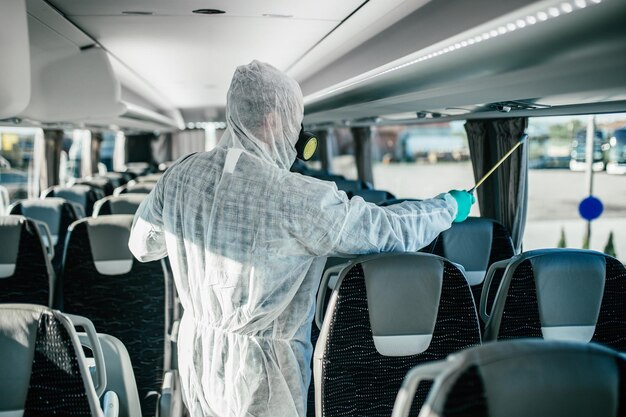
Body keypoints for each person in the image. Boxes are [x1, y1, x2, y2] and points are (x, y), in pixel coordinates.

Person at [128, 60, 474, 417]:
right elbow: (386, 231)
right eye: (296, 119)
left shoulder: (180, 175)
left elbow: (142, 246)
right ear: (275, 119)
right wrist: (445, 207)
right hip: (261, 371)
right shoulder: (294, 196)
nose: (297, 131)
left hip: (198, 354)